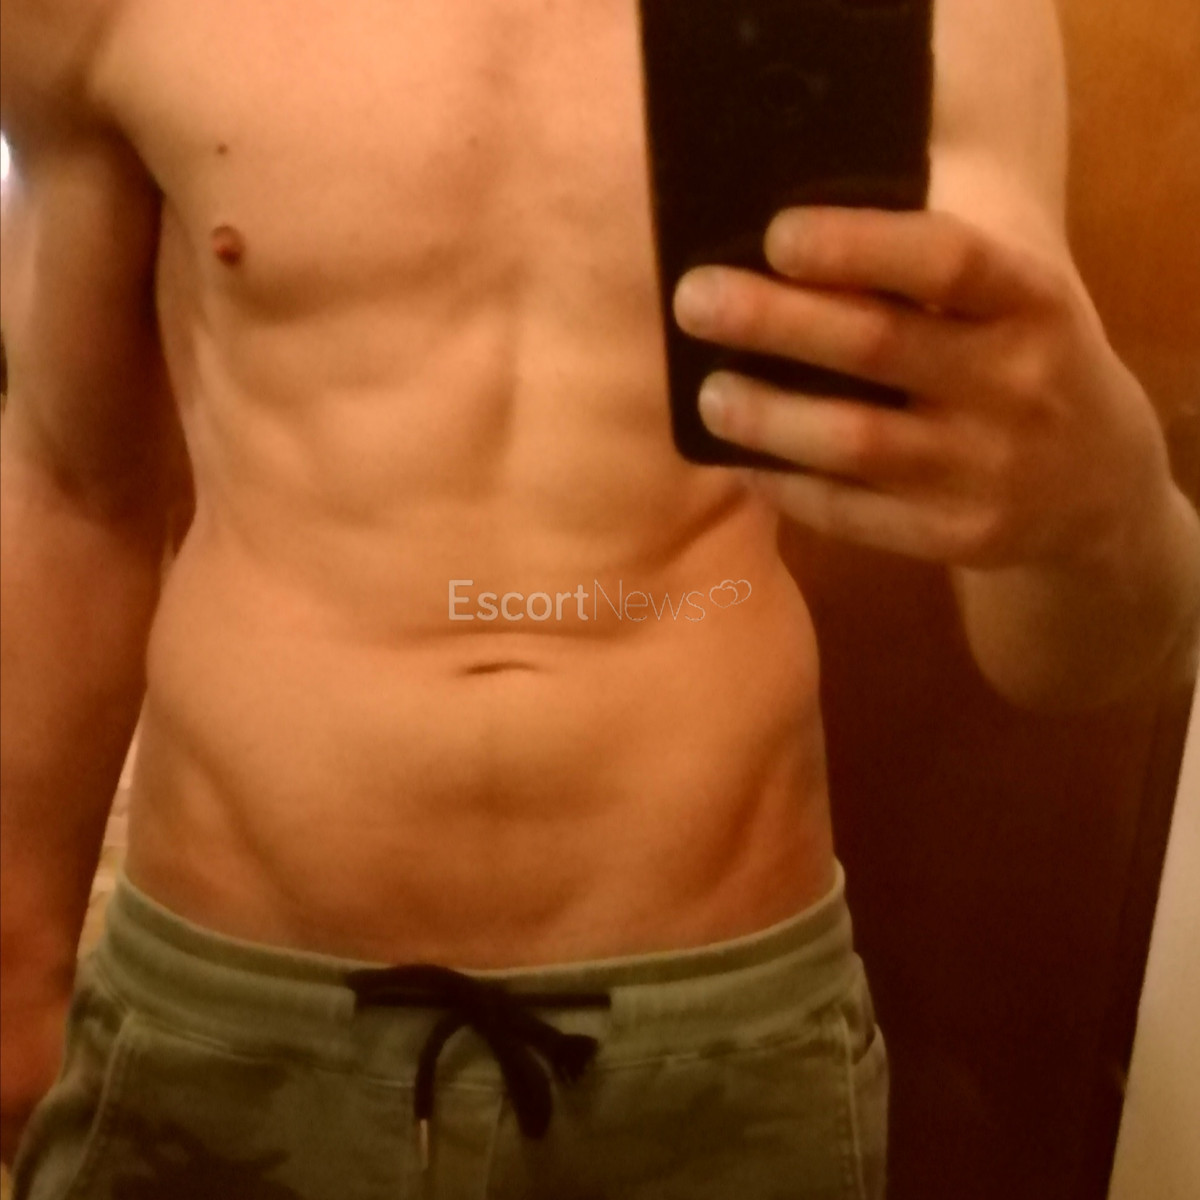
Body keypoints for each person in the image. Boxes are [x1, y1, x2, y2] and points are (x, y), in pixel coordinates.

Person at [2, 0, 1198, 1196]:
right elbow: (70, 488)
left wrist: (1105, 512)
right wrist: (18, 944)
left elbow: (1067, 657)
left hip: (716, 1042)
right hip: (227, 1012)